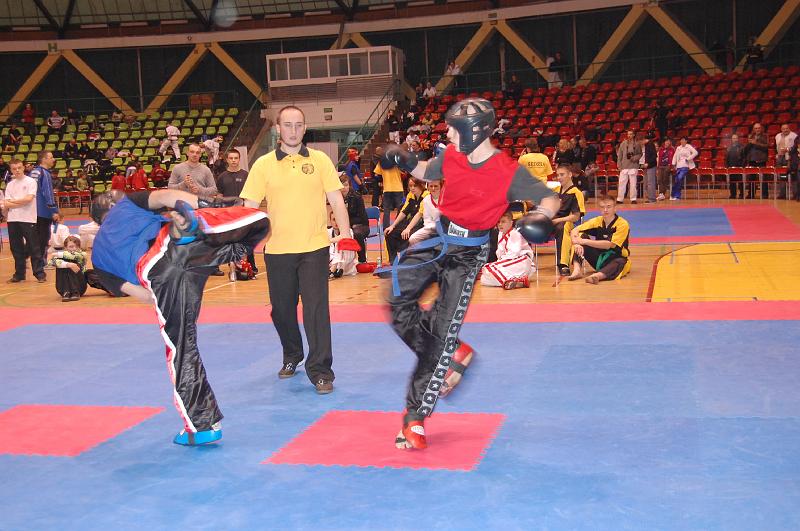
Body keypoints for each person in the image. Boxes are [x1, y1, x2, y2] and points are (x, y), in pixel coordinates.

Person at [378, 98, 559, 450]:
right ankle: (451, 351)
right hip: (439, 238)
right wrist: (406, 160)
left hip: (468, 255)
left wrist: (543, 216)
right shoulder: (452, 154)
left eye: (453, 129)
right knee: (397, 298)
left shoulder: (507, 170)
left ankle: (415, 417)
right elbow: (428, 170)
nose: (447, 133)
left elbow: (549, 197)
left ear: (473, 131)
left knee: (441, 329)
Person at [90, 188, 269, 445]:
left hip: (159, 278)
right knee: (258, 220)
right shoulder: (127, 205)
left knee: (182, 347)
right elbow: (165, 196)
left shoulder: (98, 259)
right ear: (111, 205)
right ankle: (194, 231)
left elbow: (145, 296)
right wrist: (205, 203)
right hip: (172, 247)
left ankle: (202, 427)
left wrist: (170, 294)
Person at [240, 105, 351, 395]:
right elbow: (250, 207)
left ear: (305, 128)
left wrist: (346, 235)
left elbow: (336, 200)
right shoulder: (263, 164)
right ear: (278, 129)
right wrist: (240, 243)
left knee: (316, 310)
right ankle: (292, 353)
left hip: (314, 248)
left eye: (298, 125)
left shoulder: (320, 160)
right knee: (282, 311)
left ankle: (321, 371)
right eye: (287, 125)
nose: (293, 130)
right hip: (278, 251)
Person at [568, 195, 631, 284]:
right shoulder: (597, 221)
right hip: (598, 259)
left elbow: (609, 245)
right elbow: (575, 230)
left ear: (615, 208)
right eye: (602, 207)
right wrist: (576, 243)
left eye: (608, 207)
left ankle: (597, 276)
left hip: (616, 258)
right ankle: (577, 270)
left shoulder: (622, 224)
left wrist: (584, 241)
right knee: (581, 235)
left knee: (620, 262)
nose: (605, 210)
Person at [2, 158, 46, 283]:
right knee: (16, 248)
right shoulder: (10, 185)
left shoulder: (31, 182)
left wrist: (13, 202)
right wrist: (18, 202)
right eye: (14, 169)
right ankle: (19, 274)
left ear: (23, 168)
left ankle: (39, 273)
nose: (17, 170)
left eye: (19, 168)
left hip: (28, 219)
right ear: (11, 170)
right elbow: (6, 204)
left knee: (34, 247)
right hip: (13, 219)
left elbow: (28, 199)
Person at [479, 210, 534, 289]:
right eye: (498, 222)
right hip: (510, 263)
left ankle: (514, 279)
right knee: (484, 279)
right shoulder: (500, 233)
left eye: (503, 221)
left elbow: (513, 253)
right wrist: (499, 263)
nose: (500, 224)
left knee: (488, 268)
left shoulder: (515, 233)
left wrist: (499, 264)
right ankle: (517, 281)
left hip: (521, 261)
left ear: (511, 223)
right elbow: (500, 252)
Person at [551, 164, 586, 276]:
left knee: (562, 226)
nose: (559, 177)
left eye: (562, 174)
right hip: (551, 222)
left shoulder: (576, 193)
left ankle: (563, 264)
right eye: (558, 175)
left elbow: (576, 216)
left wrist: (557, 220)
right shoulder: (555, 191)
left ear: (570, 174)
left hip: (568, 223)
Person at [383, 178, 427, 263]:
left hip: (422, 224)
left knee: (408, 235)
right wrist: (392, 226)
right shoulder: (410, 195)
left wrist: (408, 229)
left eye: (415, 186)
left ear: (421, 185)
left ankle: (406, 261)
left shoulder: (426, 196)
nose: (412, 188)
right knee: (390, 233)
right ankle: (393, 261)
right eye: (410, 186)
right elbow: (404, 211)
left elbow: (419, 214)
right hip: (410, 223)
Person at [29, 150, 59, 271]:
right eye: (51, 157)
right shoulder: (45, 173)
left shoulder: (33, 172)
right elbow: (48, 193)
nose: (53, 160)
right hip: (44, 211)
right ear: (44, 159)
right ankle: (41, 263)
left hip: (32, 211)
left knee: (35, 238)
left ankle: (33, 261)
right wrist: (54, 210)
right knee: (43, 238)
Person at [339, 173, 369, 263]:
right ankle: (337, 259)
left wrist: (350, 224)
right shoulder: (337, 198)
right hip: (345, 226)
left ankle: (362, 259)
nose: (344, 188)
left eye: (346, 185)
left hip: (361, 225)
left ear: (349, 185)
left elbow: (363, 218)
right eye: (342, 186)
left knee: (356, 233)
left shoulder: (357, 197)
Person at [373, 147, 405, 230]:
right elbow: (404, 172)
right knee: (400, 208)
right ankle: (398, 225)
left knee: (386, 210)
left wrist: (381, 180)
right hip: (398, 188)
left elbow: (376, 175)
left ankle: (385, 228)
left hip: (387, 188)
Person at [48, 235, 87, 302]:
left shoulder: (82, 254)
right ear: (65, 248)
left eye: (77, 246)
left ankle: (75, 291)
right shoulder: (61, 256)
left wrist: (59, 254)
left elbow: (74, 256)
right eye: (71, 246)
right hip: (63, 290)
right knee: (62, 264)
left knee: (69, 263)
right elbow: (50, 262)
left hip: (79, 288)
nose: (74, 248)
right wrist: (68, 264)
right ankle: (66, 291)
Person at [405, 180, 442, 247]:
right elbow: (426, 218)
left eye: (436, 186)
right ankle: (419, 252)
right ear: (428, 187)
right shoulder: (426, 200)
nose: (433, 188)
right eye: (431, 186)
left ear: (440, 187)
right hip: (431, 227)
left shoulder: (446, 199)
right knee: (413, 239)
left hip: (444, 227)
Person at [328, 210, 357, 279]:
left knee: (341, 243)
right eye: (334, 220)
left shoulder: (349, 231)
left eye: (338, 219)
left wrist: (329, 241)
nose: (336, 222)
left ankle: (333, 270)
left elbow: (344, 237)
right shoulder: (327, 232)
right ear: (330, 221)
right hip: (332, 263)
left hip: (346, 265)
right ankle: (333, 269)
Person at [616, 130, 642, 204]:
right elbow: (619, 155)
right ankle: (620, 199)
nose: (629, 135)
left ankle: (633, 199)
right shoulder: (623, 143)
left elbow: (640, 154)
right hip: (624, 166)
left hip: (633, 166)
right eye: (628, 134)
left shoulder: (637, 144)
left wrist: (634, 158)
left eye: (630, 134)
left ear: (633, 135)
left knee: (633, 184)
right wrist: (619, 165)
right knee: (621, 183)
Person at [745, 123, 769, 199]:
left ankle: (764, 194)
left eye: (758, 128)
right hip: (752, 160)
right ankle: (751, 194)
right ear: (753, 129)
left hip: (761, 160)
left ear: (761, 128)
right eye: (755, 128)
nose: (757, 129)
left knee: (763, 178)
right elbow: (746, 149)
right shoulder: (750, 136)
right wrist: (749, 143)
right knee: (751, 178)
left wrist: (756, 143)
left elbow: (766, 147)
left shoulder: (765, 136)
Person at [670, 137, 698, 201]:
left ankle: (677, 195)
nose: (682, 141)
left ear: (686, 141)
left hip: (685, 166)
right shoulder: (678, 148)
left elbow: (695, 153)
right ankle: (673, 195)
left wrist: (688, 159)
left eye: (683, 140)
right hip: (679, 166)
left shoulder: (689, 146)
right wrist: (673, 164)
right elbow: (675, 156)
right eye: (681, 140)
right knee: (677, 180)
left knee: (679, 178)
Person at [775, 125, 796, 199]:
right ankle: (782, 194)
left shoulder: (794, 136)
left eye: (787, 128)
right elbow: (776, 147)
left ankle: (795, 194)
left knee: (793, 176)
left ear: (789, 128)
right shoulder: (777, 136)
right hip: (780, 158)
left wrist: (787, 149)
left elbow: (796, 147)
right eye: (783, 129)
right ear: (781, 129)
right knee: (782, 176)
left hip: (790, 158)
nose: (785, 130)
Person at [725, 134, 745, 199]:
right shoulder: (729, 147)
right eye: (733, 138)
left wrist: (742, 166)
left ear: (738, 139)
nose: (735, 139)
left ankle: (741, 195)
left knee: (740, 182)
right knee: (732, 182)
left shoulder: (742, 147)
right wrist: (727, 166)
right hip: (731, 167)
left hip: (739, 167)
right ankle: (733, 195)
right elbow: (726, 158)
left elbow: (744, 158)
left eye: (736, 138)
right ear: (731, 139)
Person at [642, 132, 658, 202]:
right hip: (648, 166)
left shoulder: (650, 144)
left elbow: (654, 155)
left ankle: (652, 198)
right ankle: (650, 198)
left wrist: (648, 163)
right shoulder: (647, 145)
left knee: (650, 183)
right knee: (648, 183)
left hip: (651, 166)